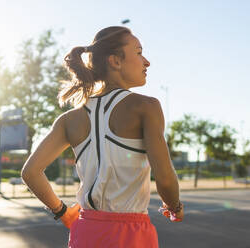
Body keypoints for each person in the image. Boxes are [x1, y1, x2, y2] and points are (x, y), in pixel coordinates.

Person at [21, 26, 184, 248]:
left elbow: (30, 172)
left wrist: (62, 212)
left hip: (85, 231)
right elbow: (164, 178)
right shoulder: (146, 107)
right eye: (138, 52)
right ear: (115, 61)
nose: (147, 62)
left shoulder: (69, 119)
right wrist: (174, 206)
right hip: (131, 234)